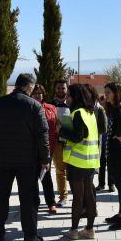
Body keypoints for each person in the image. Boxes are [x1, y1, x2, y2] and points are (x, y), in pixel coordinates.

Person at [0, 73, 50, 241]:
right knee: (28, 198)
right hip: (28, 161)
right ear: (29, 87)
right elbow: (43, 135)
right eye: (33, 88)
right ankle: (30, 236)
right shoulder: (34, 106)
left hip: (4, 159)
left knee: (2, 196)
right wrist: (45, 158)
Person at [60, 84, 99, 239]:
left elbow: (78, 136)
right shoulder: (90, 113)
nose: (66, 98)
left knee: (78, 197)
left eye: (68, 95)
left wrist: (62, 129)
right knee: (89, 195)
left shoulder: (77, 113)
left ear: (75, 98)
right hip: (90, 161)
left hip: (77, 162)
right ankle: (89, 229)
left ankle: (74, 230)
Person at [102, 83, 121, 231]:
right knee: (119, 185)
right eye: (105, 92)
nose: (105, 94)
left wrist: (118, 135)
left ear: (115, 93)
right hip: (114, 152)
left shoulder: (120, 109)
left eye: (108, 92)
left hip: (118, 153)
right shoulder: (114, 109)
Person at [31, 84, 59, 214]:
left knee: (46, 177)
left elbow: (55, 128)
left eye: (40, 93)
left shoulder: (51, 108)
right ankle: (34, 203)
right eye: (35, 93)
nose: (38, 95)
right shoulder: (28, 107)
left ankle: (51, 203)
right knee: (32, 177)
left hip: (47, 148)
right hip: (31, 148)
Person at [49, 79, 71, 207]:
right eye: (58, 88)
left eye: (63, 88)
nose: (61, 90)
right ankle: (63, 196)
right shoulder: (50, 105)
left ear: (66, 89)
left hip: (70, 142)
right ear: (55, 89)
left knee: (71, 170)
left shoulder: (71, 104)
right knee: (60, 170)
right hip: (56, 142)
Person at [95, 94, 113, 192]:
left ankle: (111, 184)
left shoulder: (111, 112)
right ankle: (101, 184)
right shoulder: (98, 111)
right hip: (101, 142)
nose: (102, 101)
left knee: (110, 164)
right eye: (100, 99)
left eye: (103, 99)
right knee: (101, 164)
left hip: (109, 142)